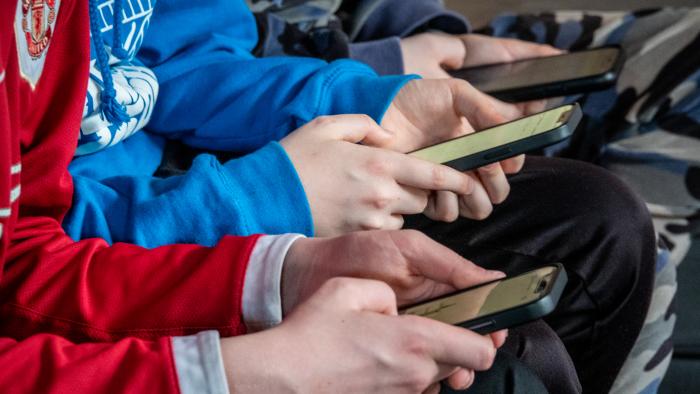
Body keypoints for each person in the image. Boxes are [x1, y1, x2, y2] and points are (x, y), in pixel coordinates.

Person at [52, 1, 657, 393]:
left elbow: (187, 56)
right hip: (122, 254)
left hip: (200, 187)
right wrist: (270, 201)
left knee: (601, 223)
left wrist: (364, 101)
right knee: (513, 362)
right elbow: (31, 261)